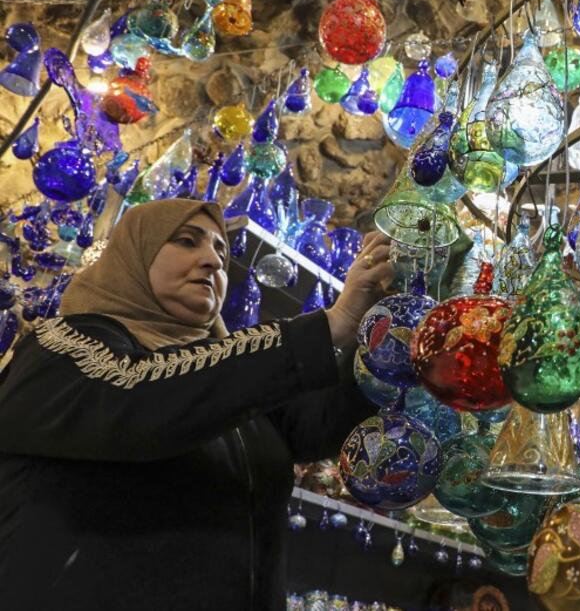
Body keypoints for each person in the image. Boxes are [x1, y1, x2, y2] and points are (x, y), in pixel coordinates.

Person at [0, 199, 394, 610]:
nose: (211, 261)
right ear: (133, 254)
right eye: (187, 242)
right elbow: (137, 396)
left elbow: (318, 426)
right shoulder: (58, 349)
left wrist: (382, 325)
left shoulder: (228, 383)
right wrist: (330, 325)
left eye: (222, 254)